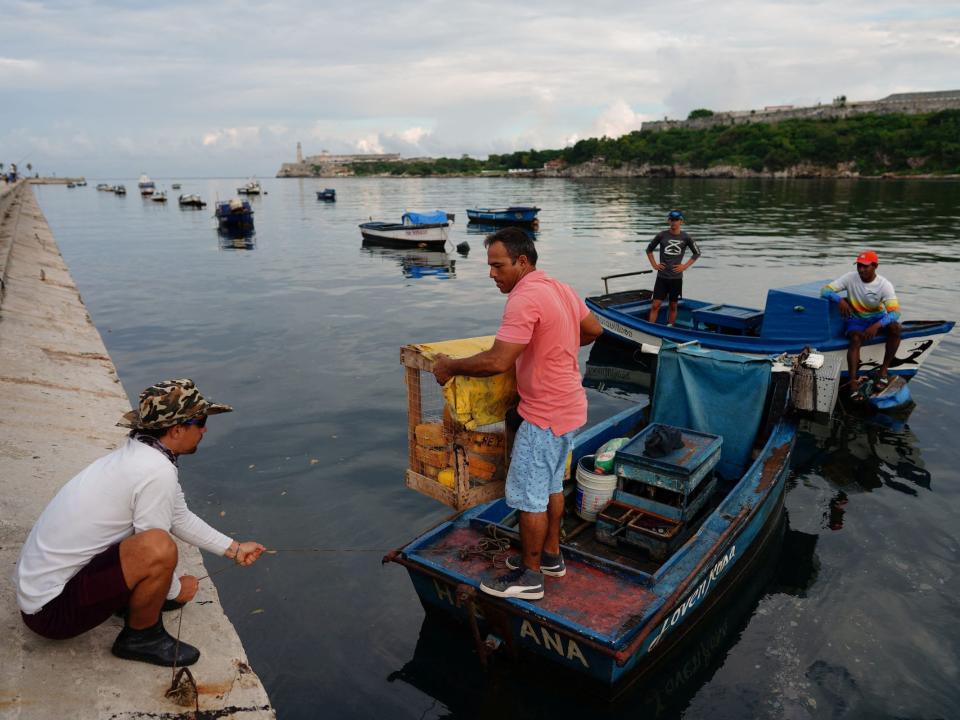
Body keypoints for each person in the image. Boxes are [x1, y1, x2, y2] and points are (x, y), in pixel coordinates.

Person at [13, 379, 265, 667]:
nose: (205, 429)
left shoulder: (141, 453)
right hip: (52, 614)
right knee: (160, 546)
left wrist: (234, 549)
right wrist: (174, 591)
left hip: (43, 596)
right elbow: (153, 547)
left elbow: (177, 515)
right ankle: (142, 636)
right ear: (178, 429)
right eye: (201, 421)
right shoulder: (156, 471)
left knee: (153, 541)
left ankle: (131, 604)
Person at [432, 227, 603, 600]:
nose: (492, 274)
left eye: (498, 266)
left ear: (522, 262)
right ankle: (551, 556)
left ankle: (530, 577)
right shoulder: (559, 288)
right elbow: (593, 330)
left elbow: (497, 360)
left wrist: (450, 366)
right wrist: (554, 345)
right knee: (553, 485)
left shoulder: (524, 298)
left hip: (543, 415)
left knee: (529, 497)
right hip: (570, 406)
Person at [821, 250, 901, 398]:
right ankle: (852, 381)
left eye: (865, 266)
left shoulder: (884, 285)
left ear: (875, 266)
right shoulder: (850, 278)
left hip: (877, 318)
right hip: (856, 319)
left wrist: (877, 326)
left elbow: (895, 313)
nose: (861, 269)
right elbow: (825, 291)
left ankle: (883, 371)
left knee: (896, 328)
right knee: (856, 338)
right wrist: (840, 300)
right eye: (859, 265)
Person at [646, 210, 701, 326]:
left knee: (673, 305)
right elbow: (649, 250)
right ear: (668, 221)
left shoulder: (686, 237)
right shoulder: (662, 235)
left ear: (681, 221)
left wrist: (684, 266)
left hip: (676, 278)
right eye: (671, 220)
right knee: (655, 305)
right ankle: (650, 328)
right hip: (662, 277)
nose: (674, 222)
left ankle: (671, 328)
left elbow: (697, 253)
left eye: (676, 220)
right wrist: (654, 265)